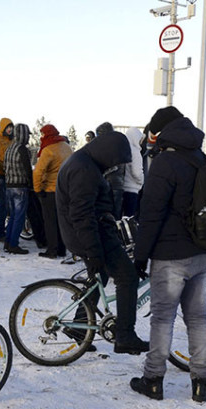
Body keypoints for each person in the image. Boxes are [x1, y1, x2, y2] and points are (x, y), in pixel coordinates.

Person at [130, 106, 206, 402]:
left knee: (163, 319)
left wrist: (141, 256)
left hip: (170, 256)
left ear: (162, 131)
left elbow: (151, 213)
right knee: (198, 318)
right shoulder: (202, 158)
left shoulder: (166, 162)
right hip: (201, 253)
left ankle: (153, 379)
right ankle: (201, 382)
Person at [56, 131, 149, 354]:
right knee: (127, 277)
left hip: (91, 233)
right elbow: (82, 215)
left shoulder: (85, 162)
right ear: (108, 152)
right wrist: (94, 251)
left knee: (100, 277)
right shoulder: (84, 170)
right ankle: (125, 335)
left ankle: (79, 328)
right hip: (89, 235)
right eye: (115, 160)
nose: (115, 166)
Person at [35, 124, 70, 259]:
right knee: (62, 221)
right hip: (65, 190)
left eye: (42, 134)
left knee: (50, 221)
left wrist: (38, 189)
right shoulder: (66, 147)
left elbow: (38, 171)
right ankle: (62, 248)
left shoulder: (48, 149)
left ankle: (52, 250)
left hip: (50, 189)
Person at [2, 123, 32, 254]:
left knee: (12, 216)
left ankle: (7, 243)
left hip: (9, 186)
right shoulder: (22, 149)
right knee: (19, 217)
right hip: (20, 187)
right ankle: (14, 244)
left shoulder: (9, 148)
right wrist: (31, 184)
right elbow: (27, 170)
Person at [96, 122, 126, 219]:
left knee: (110, 216)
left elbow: (114, 166)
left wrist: (101, 173)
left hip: (112, 185)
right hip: (116, 184)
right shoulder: (118, 145)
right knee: (113, 215)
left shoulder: (111, 146)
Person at [0, 118, 13, 242]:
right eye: (7, 127)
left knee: (9, 205)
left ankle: (5, 230)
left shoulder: (12, 141)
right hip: (0, 176)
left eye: (11, 127)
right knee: (2, 205)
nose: (10, 130)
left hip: (10, 176)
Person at [122, 127, 145, 218]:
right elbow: (137, 172)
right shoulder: (135, 152)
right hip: (133, 189)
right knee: (130, 219)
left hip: (123, 188)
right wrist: (142, 181)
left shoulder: (124, 149)